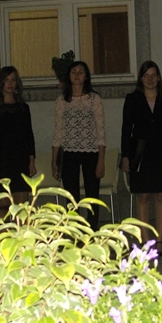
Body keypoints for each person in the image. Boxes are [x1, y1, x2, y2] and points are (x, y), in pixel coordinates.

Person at [121, 61, 162, 256]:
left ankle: (160, 239)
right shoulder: (132, 99)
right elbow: (126, 129)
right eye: (146, 75)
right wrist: (126, 156)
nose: (150, 79)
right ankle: (146, 241)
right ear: (141, 78)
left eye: (153, 75)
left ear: (159, 78)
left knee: (161, 196)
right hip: (139, 153)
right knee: (143, 196)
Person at [52, 61, 106, 230]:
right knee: (71, 195)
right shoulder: (62, 100)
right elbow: (58, 131)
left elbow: (100, 131)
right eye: (73, 72)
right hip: (69, 153)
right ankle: (75, 229)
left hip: (91, 152)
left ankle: (92, 229)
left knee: (92, 194)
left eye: (81, 72)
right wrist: (54, 160)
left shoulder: (94, 99)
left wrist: (101, 160)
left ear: (86, 76)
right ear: (68, 76)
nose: (77, 75)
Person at [0, 66, 37, 212]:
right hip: (1, 159)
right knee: (3, 209)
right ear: (0, 82)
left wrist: (32, 160)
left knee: (21, 209)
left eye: (13, 80)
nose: (10, 83)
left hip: (21, 159)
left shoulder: (23, 108)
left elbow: (29, 135)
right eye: (6, 80)